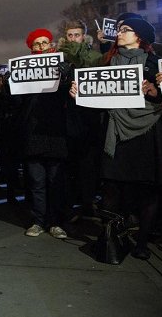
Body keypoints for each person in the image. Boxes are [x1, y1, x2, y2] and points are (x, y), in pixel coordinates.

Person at [74, 16, 162, 260]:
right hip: (114, 130)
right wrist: (78, 92)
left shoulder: (157, 63)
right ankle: (110, 236)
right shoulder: (106, 61)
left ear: (139, 36)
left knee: (146, 190)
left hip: (146, 129)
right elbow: (92, 95)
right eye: (118, 29)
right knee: (112, 186)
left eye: (125, 30)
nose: (119, 33)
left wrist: (158, 91)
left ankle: (142, 242)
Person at [17, 29, 69, 240]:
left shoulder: (62, 67)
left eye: (44, 43)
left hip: (55, 132)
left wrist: (65, 77)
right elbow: (16, 105)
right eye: (36, 44)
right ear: (31, 48)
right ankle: (38, 221)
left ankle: (55, 222)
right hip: (33, 133)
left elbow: (70, 97)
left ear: (51, 45)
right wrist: (12, 84)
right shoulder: (23, 70)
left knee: (55, 181)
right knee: (36, 181)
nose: (41, 47)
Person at [57, 20, 103, 221]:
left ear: (83, 36)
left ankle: (87, 202)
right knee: (68, 165)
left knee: (88, 164)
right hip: (66, 116)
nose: (73, 39)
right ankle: (68, 205)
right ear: (65, 37)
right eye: (70, 35)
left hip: (88, 118)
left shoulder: (94, 56)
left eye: (77, 35)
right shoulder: (58, 58)